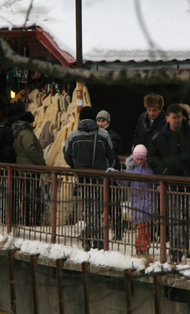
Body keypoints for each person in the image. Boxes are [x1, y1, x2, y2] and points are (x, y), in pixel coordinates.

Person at [148, 103, 190, 263]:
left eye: (179, 117)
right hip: (171, 181)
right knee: (175, 217)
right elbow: (152, 158)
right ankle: (176, 252)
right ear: (168, 118)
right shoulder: (160, 136)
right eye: (174, 117)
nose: (177, 120)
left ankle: (188, 247)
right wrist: (163, 171)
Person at [63, 106, 115, 250]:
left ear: (80, 119)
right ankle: (98, 241)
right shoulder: (103, 134)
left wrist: (76, 168)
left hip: (82, 178)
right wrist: (105, 169)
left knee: (88, 209)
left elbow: (66, 155)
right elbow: (111, 156)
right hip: (99, 178)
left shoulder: (72, 135)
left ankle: (88, 235)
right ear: (93, 118)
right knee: (98, 210)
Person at [13, 111, 46, 226]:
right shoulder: (26, 133)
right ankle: (30, 221)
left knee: (27, 196)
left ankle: (27, 219)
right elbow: (30, 149)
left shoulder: (19, 132)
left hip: (24, 168)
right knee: (31, 196)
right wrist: (41, 162)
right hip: (30, 169)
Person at [123, 144, 155, 255]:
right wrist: (115, 175)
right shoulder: (131, 170)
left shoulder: (149, 170)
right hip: (136, 202)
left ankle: (142, 246)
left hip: (147, 201)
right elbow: (124, 183)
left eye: (142, 159)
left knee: (145, 226)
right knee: (141, 226)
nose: (140, 161)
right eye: (138, 159)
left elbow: (154, 184)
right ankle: (141, 246)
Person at [97, 109, 124, 239]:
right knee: (100, 204)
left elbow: (112, 150)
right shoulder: (96, 134)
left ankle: (118, 232)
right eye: (98, 120)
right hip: (101, 174)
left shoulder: (113, 136)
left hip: (112, 175)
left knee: (114, 205)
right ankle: (100, 232)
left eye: (103, 120)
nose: (100, 123)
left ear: (108, 122)